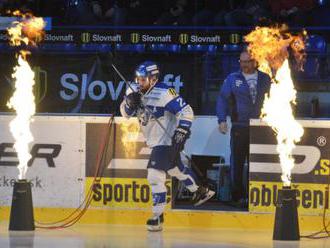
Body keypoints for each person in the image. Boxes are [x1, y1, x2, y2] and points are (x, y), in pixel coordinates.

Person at [120, 61, 215, 231]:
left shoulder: (165, 93)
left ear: (154, 79)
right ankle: (200, 190)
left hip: (168, 139)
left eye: (143, 80)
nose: (139, 82)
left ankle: (157, 217)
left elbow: (187, 111)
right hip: (154, 141)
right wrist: (128, 104)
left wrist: (182, 130)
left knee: (154, 176)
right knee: (175, 170)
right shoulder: (132, 90)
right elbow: (125, 114)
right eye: (138, 79)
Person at [216, 51, 271, 208]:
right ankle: (237, 196)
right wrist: (221, 119)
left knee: (258, 162)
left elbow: (274, 99)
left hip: (261, 127)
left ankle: (256, 195)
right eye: (241, 61)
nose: (244, 65)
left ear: (255, 62)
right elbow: (222, 99)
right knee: (237, 162)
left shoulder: (265, 78)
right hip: (240, 126)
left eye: (247, 62)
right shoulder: (233, 79)